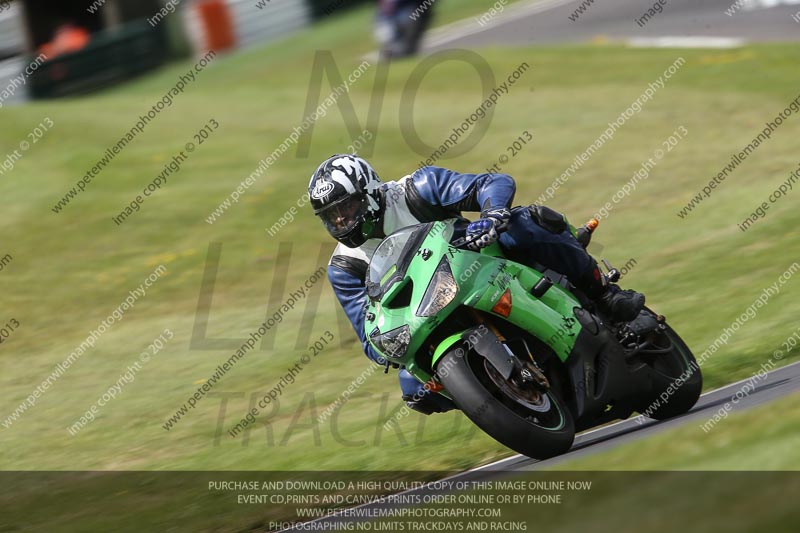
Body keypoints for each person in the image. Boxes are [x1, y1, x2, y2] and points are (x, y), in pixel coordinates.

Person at [309, 154, 644, 415]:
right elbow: (369, 337)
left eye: (346, 207)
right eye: (330, 216)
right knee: (413, 387)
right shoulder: (343, 265)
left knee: (523, 224)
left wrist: (493, 214)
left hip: (479, 264)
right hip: (426, 315)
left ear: (368, 194)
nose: (340, 220)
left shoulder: (415, 190)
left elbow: (490, 183)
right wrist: (387, 344)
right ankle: (496, 397)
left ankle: (606, 294)